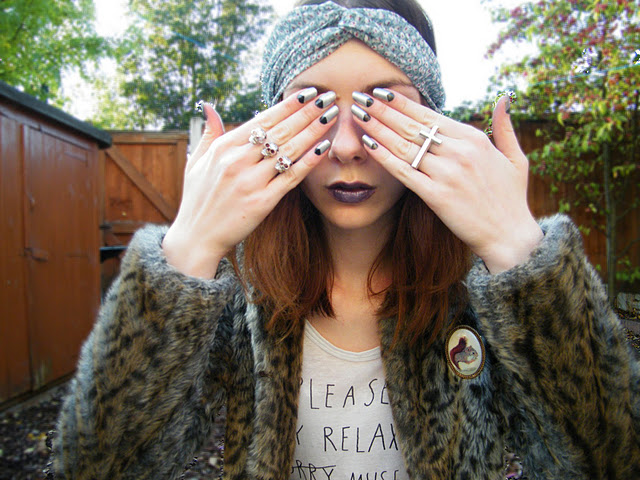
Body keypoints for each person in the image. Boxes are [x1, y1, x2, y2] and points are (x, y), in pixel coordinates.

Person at [49, 0, 640, 479]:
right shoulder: (238, 297)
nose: (348, 146)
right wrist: (188, 252)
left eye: (383, 106)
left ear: (431, 122)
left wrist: (520, 254)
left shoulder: (484, 293)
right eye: (316, 108)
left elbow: (612, 460)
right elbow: (97, 466)